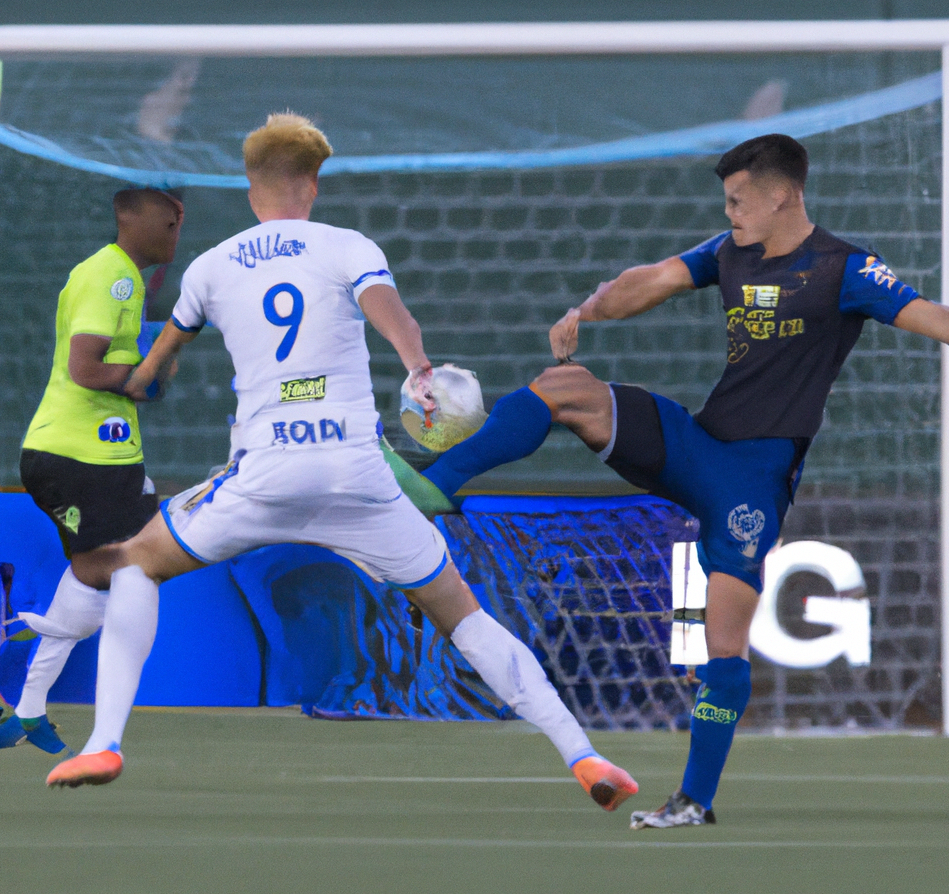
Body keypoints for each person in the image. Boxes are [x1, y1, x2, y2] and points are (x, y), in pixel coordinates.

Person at [415, 133, 949, 828]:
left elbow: (942, 318)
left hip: (750, 485)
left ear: (781, 195)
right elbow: (652, 280)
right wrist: (587, 308)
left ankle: (694, 801)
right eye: (726, 202)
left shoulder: (843, 268)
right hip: (698, 447)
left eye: (738, 200)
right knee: (564, 387)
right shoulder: (729, 252)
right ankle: (438, 483)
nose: (730, 212)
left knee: (721, 648)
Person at [45, 113, 639, 814]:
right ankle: (584, 754)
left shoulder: (209, 267)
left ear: (249, 186)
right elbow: (395, 317)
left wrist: (137, 375)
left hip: (264, 476)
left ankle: (106, 740)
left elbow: (146, 375)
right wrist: (418, 368)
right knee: (463, 615)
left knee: (136, 563)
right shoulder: (346, 246)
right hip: (356, 478)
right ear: (313, 184)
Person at [0, 188, 183, 757]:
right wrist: (142, 371)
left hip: (107, 459)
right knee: (132, 572)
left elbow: (128, 379)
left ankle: (29, 708)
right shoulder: (114, 277)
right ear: (130, 219)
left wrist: (149, 373)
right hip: (80, 458)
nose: (175, 232)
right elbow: (85, 368)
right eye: (168, 221)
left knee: (101, 578)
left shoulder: (117, 275)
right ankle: (31, 639)